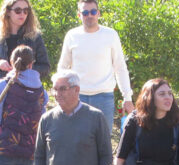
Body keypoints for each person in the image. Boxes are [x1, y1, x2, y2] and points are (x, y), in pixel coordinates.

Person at [57, 0, 133, 129]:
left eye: (93, 12)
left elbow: (120, 67)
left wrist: (127, 97)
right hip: (76, 97)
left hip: (104, 97)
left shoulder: (111, 35)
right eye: (85, 12)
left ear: (98, 13)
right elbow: (62, 68)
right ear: (79, 15)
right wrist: (62, 93)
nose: (89, 15)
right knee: (76, 142)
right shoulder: (72, 36)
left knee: (103, 143)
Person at [0, 0, 49, 85]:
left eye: (25, 11)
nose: (22, 14)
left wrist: (24, 69)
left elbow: (45, 68)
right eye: (18, 10)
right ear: (8, 12)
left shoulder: (35, 37)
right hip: (0, 89)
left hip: (26, 89)